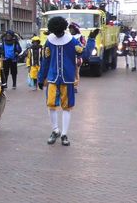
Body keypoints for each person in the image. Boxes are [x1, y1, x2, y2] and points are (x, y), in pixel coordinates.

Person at [38, 16, 96, 146]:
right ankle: (55, 130)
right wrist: (41, 78)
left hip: (67, 79)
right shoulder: (49, 41)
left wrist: (91, 39)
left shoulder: (72, 41)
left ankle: (64, 134)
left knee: (67, 107)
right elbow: (45, 61)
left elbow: (85, 54)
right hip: (53, 78)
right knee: (51, 104)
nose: (57, 34)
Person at [69, 23, 85, 92]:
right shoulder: (68, 37)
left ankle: (75, 86)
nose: (70, 31)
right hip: (69, 57)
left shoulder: (80, 37)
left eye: (72, 29)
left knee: (76, 72)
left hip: (77, 57)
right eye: (70, 29)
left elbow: (83, 45)